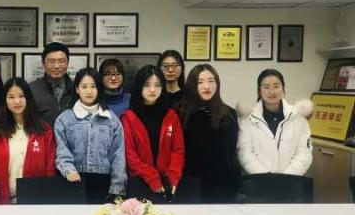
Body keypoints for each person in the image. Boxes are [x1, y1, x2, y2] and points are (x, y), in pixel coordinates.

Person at [55, 67, 126, 204]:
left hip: (104, 184)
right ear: (77, 89)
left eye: (93, 86)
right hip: (73, 181)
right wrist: (69, 170)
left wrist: (117, 188)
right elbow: (62, 150)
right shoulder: (64, 119)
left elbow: (118, 155)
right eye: (84, 87)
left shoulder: (112, 120)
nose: (89, 91)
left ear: (99, 88)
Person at [0, 78, 56, 204]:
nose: (17, 101)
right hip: (3, 203)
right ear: (4, 100)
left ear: (28, 98)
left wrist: (45, 198)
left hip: (36, 202)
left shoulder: (44, 130)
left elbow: (50, 170)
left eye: (21, 96)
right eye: (11, 97)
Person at [176, 64, 240, 203]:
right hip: (189, 183)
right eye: (200, 82)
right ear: (192, 85)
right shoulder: (179, 113)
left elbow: (231, 151)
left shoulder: (229, 114)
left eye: (211, 81)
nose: (207, 86)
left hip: (222, 184)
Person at [121, 65, 184, 203]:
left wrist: (172, 178)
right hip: (139, 182)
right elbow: (129, 155)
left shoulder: (171, 116)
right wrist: (151, 177)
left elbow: (178, 151)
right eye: (147, 85)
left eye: (157, 85)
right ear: (139, 87)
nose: (152, 90)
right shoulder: (129, 117)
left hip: (167, 184)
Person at [237, 69, 313, 175]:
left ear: (283, 89)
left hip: (291, 181)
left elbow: (304, 152)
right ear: (259, 91)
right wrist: (266, 178)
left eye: (276, 86)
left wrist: (286, 177)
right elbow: (245, 153)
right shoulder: (248, 119)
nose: (272, 92)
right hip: (258, 181)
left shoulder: (298, 117)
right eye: (266, 87)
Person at [30, 42, 75, 126]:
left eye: (61, 61)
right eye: (51, 61)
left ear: (67, 63)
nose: (56, 66)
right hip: (43, 134)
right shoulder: (32, 89)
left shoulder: (77, 88)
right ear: (43, 63)